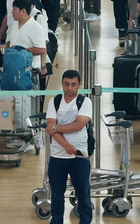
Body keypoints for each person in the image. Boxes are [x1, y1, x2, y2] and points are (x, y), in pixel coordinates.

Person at [44, 68, 93, 224]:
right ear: (62, 84)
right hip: (57, 157)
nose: (70, 88)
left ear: (79, 85)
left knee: (83, 195)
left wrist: (56, 128)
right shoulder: (54, 102)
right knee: (57, 196)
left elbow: (78, 125)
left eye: (73, 84)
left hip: (79, 157)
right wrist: (66, 146)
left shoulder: (85, 102)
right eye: (67, 84)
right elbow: (50, 129)